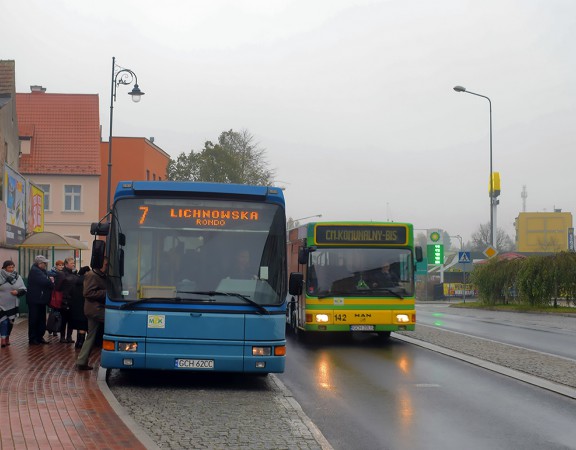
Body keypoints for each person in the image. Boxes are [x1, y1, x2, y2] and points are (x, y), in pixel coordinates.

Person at [77, 257, 108, 371]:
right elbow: (88, 292)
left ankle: (82, 360)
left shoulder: (98, 275)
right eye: (106, 265)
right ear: (100, 265)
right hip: (96, 310)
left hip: (95, 309)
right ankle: (82, 361)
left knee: (91, 336)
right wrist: (107, 293)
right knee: (92, 336)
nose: (107, 267)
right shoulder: (92, 275)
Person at [59, 257, 90, 348]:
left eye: (73, 263)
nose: (73, 264)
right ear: (66, 264)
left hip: (72, 300)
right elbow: (58, 287)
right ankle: (62, 337)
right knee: (64, 319)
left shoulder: (75, 274)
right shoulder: (62, 274)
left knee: (71, 319)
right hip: (65, 300)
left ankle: (69, 336)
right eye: (72, 263)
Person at [26, 255, 54, 345]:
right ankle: (33, 338)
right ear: (39, 263)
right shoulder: (35, 271)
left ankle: (39, 337)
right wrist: (51, 281)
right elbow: (46, 282)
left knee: (41, 319)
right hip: (35, 300)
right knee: (34, 319)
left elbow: (49, 279)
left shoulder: (42, 271)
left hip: (41, 300)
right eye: (44, 263)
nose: (46, 265)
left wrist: (50, 280)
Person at [0, 260, 27, 347]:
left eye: (12, 267)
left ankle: (7, 336)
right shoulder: (0, 276)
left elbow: (23, 289)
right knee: (3, 321)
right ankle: (3, 339)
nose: (11, 269)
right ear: (4, 268)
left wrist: (18, 291)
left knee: (10, 322)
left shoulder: (17, 276)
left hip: (13, 303)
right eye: (9, 267)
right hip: (1, 303)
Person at [48, 260, 65, 337]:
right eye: (59, 265)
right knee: (54, 311)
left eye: (62, 265)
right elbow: (52, 283)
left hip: (59, 295)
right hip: (53, 295)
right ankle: (52, 328)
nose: (61, 266)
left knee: (57, 312)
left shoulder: (62, 273)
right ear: (56, 266)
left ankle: (54, 328)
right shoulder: (52, 273)